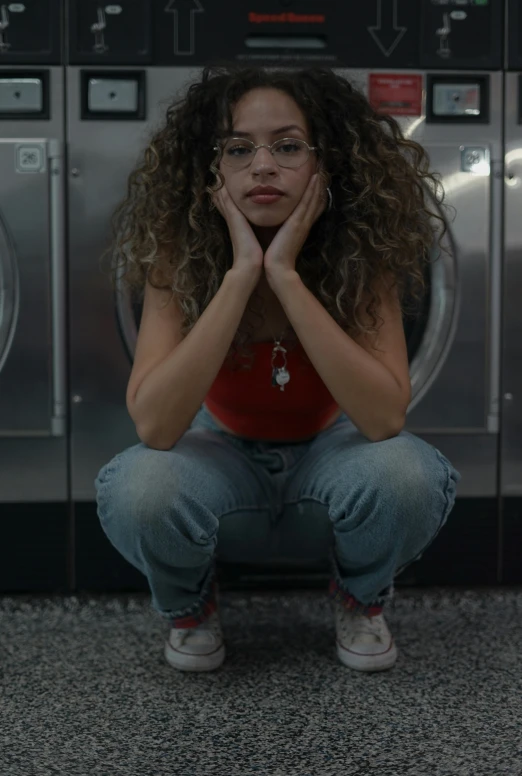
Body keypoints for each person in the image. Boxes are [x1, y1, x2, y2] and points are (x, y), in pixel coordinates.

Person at [95, 63, 461, 674]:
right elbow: (157, 429)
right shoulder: (179, 254)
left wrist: (285, 275)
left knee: (409, 474)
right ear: (211, 168)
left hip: (333, 466)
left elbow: (382, 417)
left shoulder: (360, 255)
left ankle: (359, 598)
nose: (263, 166)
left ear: (326, 161)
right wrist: (241, 273)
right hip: (219, 471)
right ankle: (189, 608)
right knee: (139, 486)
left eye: (288, 146)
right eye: (239, 149)